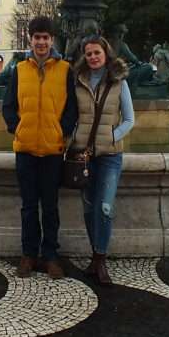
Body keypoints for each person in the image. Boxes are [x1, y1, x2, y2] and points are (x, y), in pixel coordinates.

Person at [2, 16, 78, 279]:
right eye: (37, 37)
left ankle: (51, 256)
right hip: (25, 149)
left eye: (46, 37)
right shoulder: (20, 69)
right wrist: (17, 127)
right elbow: (8, 104)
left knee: (50, 206)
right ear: (30, 40)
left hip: (53, 150)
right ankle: (28, 255)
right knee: (28, 206)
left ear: (51, 40)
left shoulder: (65, 69)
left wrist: (62, 131)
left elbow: (72, 109)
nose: (41, 42)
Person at [70, 34, 134, 285]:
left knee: (104, 207)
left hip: (110, 156)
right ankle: (95, 256)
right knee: (88, 208)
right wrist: (73, 140)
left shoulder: (119, 82)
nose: (93, 57)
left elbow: (129, 120)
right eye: (88, 54)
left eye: (97, 52)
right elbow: (72, 116)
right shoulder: (78, 81)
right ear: (84, 57)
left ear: (105, 54)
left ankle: (100, 259)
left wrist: (110, 137)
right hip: (83, 155)